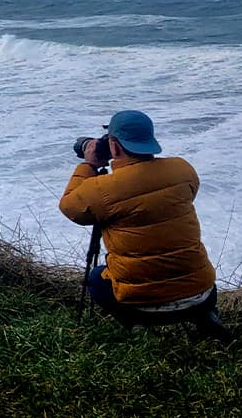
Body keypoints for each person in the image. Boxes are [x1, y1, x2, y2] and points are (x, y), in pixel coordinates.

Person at [60, 110, 222, 330]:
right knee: (192, 268)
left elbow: (70, 207)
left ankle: (136, 325)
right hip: (202, 293)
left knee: (96, 279)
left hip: (142, 306)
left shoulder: (102, 190)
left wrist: (88, 165)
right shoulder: (182, 169)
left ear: (114, 147)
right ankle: (206, 317)